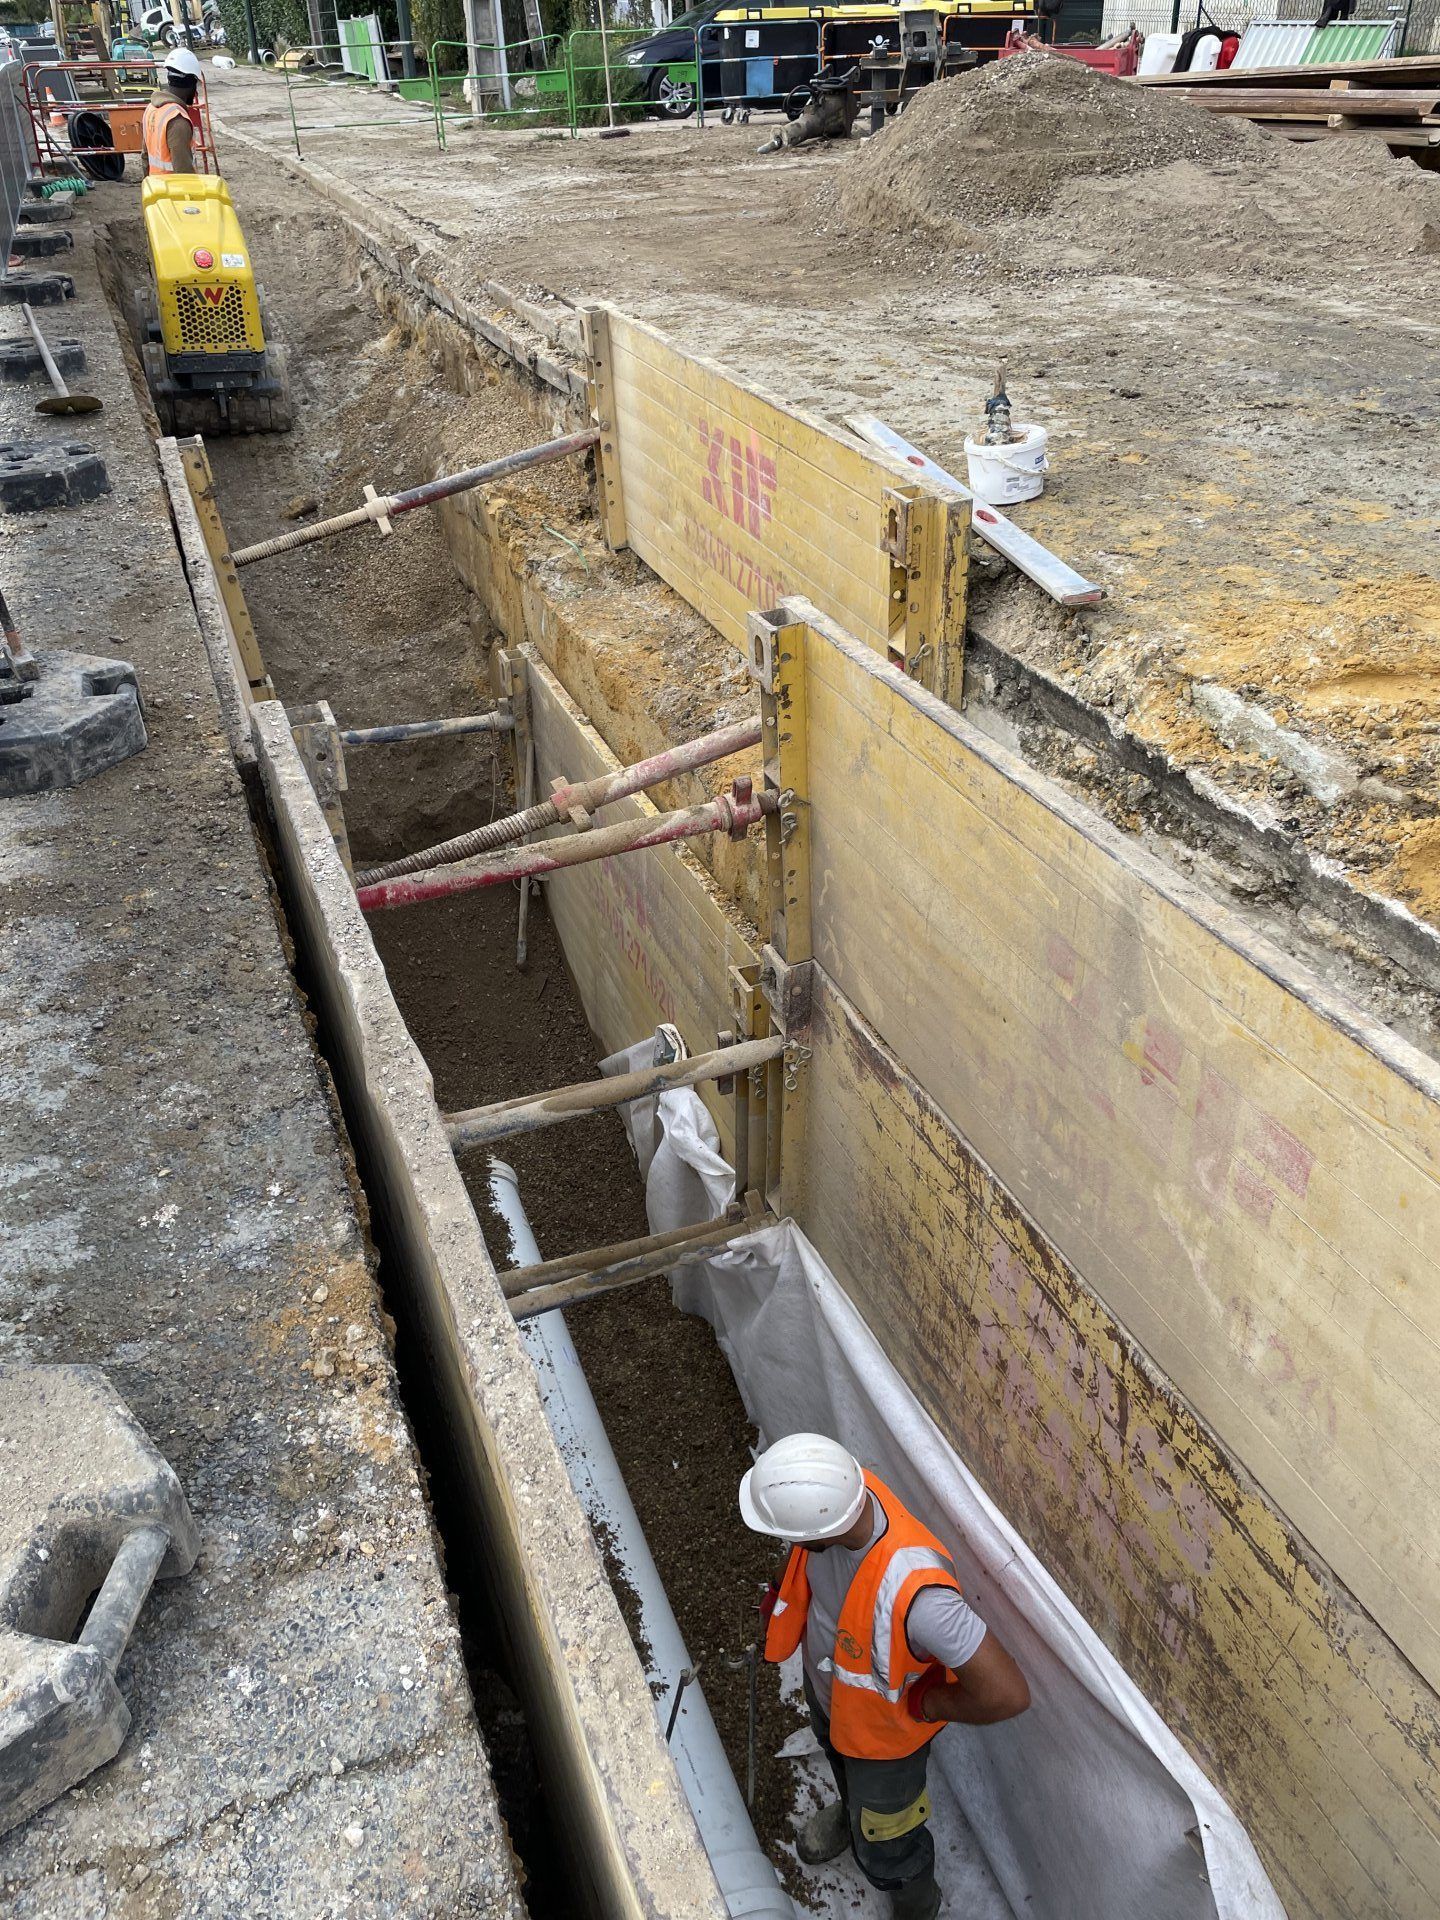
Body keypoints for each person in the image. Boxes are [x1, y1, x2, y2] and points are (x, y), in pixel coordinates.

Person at [740, 1433, 1030, 1920]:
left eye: (789, 1535)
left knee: (890, 1845)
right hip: (832, 1703)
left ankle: (917, 1905)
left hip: (883, 1745)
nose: (787, 1544)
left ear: (820, 1531)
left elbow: (1007, 1692)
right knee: (842, 1769)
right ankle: (855, 1814)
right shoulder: (843, 1495)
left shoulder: (921, 1597)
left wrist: (931, 1704)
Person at [143, 47, 204, 176]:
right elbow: (183, 171)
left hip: (155, 186)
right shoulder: (177, 121)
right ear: (191, 84)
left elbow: (145, 156)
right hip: (172, 188)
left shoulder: (151, 109)